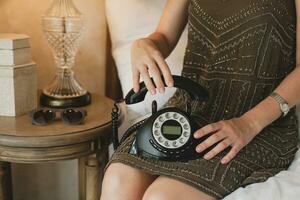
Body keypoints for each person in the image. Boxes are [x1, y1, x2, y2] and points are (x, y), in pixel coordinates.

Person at [101, 0, 300, 199]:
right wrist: (143, 44)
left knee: (162, 196)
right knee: (117, 180)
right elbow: (164, 37)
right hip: (191, 110)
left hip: (258, 124)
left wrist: (250, 123)